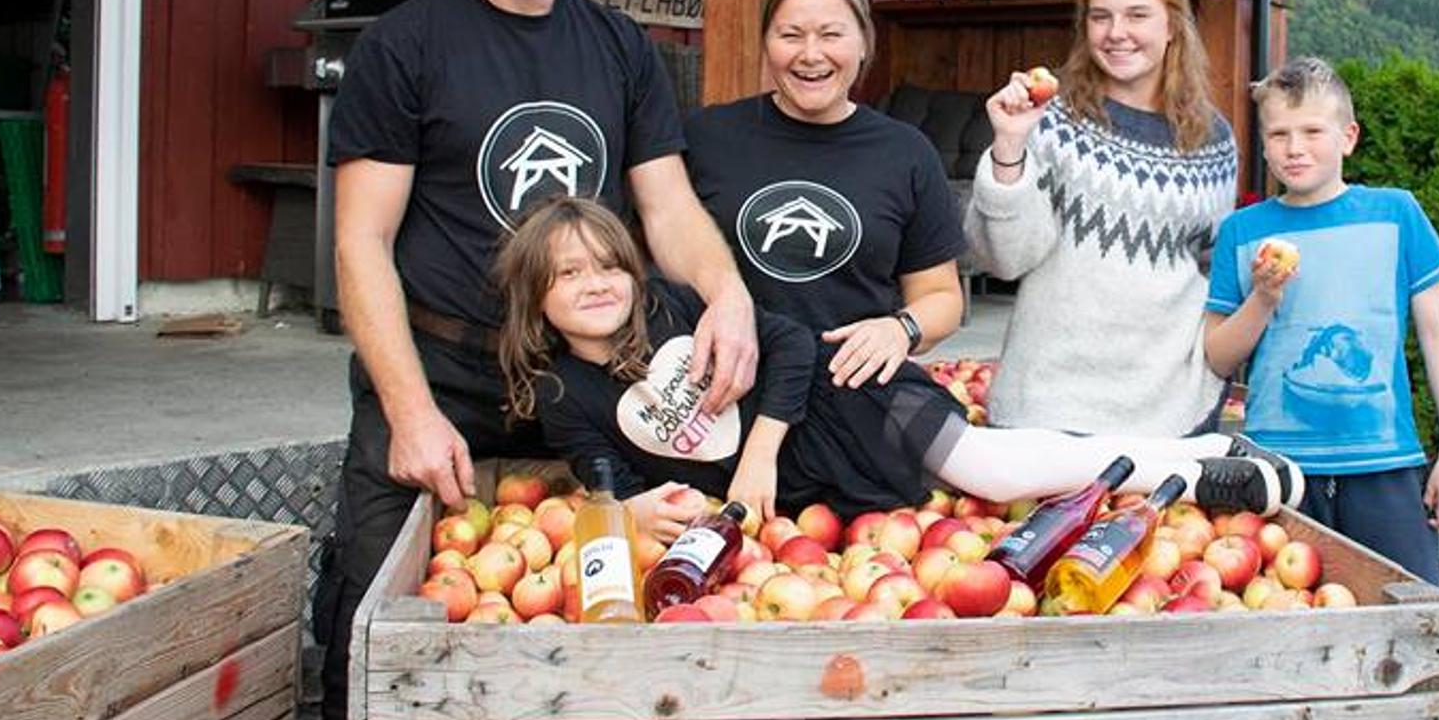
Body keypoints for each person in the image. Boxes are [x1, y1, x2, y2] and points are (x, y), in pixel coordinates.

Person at [317, 0, 756, 720]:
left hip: (586, 381)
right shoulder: (405, 44)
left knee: (606, 608)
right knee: (372, 631)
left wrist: (732, 293)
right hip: (442, 375)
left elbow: (668, 210)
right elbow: (359, 243)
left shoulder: (617, 48)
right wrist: (411, 413)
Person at [496, 198, 1301, 532]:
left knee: (988, 466)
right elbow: (604, 474)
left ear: (633, 271)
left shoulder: (675, 305)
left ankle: (1200, 475)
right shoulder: (567, 394)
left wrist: (763, 450)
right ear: (537, 298)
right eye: (567, 274)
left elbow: (785, 343)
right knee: (1000, 469)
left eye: (605, 264)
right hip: (818, 478)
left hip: (842, 395)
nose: (593, 283)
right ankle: (1201, 451)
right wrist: (629, 513)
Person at [1202, 56, 1439, 585]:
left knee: (1408, 613)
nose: (1294, 147)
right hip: (1280, 470)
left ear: (1348, 137)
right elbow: (1217, 355)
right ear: (1262, 143)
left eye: (1311, 131)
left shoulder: (1397, 215)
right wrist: (1262, 298)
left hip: (1385, 462)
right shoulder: (1241, 231)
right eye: (1278, 133)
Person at [965, 0, 1243, 438]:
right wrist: (1009, 146)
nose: (1116, 33)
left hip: (1167, 413)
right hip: (1048, 406)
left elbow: (1212, 270)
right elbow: (1004, 261)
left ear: (1173, 25)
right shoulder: (1047, 119)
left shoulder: (1213, 141)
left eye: (1137, 15)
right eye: (1100, 17)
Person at [683, 0, 963, 388]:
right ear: (766, 43)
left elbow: (942, 297)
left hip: (850, 392)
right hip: (722, 387)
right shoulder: (706, 136)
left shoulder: (906, 152)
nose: (810, 55)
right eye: (790, 35)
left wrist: (898, 329)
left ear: (865, 42)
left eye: (831, 35)